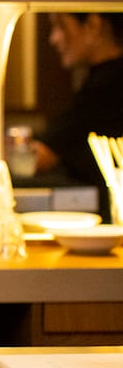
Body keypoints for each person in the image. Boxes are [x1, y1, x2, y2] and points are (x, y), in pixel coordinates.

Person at [33, 12, 123, 220]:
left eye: (62, 26)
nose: (54, 38)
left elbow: (41, 157)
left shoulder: (106, 86)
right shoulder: (102, 79)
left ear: (93, 25)